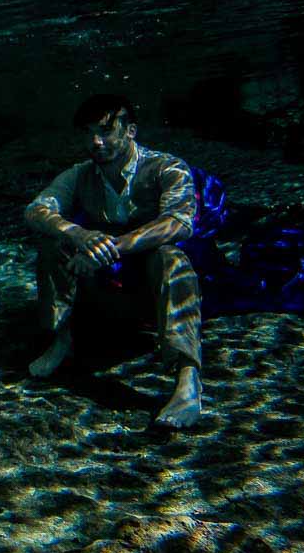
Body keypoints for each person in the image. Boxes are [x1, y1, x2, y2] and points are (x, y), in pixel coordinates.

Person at [23, 94, 204, 429]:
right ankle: (62, 338)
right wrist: (79, 236)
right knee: (52, 244)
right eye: (89, 132)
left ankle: (187, 378)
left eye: (106, 131)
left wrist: (111, 248)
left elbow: (179, 222)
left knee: (172, 259)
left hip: (150, 282)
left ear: (131, 130)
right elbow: (36, 210)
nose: (96, 141)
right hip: (104, 284)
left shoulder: (167, 167)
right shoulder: (79, 175)